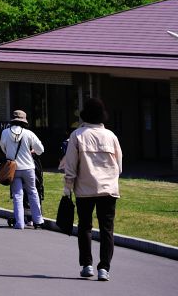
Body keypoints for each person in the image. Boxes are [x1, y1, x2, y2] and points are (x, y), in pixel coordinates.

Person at [63, 97, 122, 282]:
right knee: (107, 229)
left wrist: (67, 188)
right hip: (109, 189)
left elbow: (70, 165)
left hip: (85, 189)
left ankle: (87, 265)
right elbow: (119, 166)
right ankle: (104, 268)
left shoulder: (78, 135)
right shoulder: (111, 136)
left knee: (85, 227)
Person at [0, 109, 45, 229]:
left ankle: (19, 223)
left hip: (13, 169)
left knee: (17, 195)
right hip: (29, 167)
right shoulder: (29, 133)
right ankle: (38, 220)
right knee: (33, 192)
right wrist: (32, 152)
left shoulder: (5, 132)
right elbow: (41, 149)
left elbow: (3, 148)